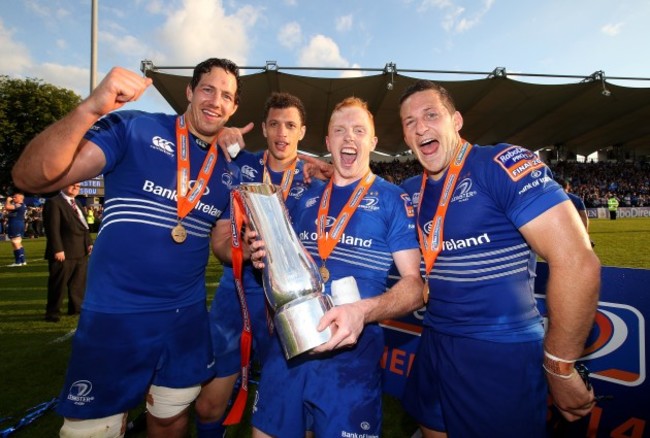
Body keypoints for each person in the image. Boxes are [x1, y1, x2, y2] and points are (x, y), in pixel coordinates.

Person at [12, 57, 249, 438]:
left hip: (184, 318)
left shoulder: (227, 168)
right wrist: (90, 107)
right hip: (116, 315)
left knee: (171, 417)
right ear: (189, 92)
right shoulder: (135, 127)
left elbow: (221, 242)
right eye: (207, 89)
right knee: (93, 430)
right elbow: (30, 178)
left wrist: (243, 249)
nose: (215, 101)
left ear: (234, 107)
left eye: (226, 95)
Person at [397, 80, 601, 437]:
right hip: (434, 337)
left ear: (456, 120)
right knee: (431, 428)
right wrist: (327, 172)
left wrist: (559, 366)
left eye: (431, 115)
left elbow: (577, 261)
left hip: (498, 347)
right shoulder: (411, 190)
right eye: (409, 121)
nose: (420, 127)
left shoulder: (499, 163)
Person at [249, 97, 424, 437]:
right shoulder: (303, 198)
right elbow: (282, 268)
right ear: (328, 142)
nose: (349, 138)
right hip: (290, 354)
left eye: (359, 131)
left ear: (372, 143)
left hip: (352, 366)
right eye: (339, 130)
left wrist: (363, 311)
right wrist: (264, 260)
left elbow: (416, 286)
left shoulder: (392, 199)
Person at [194, 92, 325, 436]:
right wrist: (241, 253)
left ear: (302, 131)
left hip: (289, 305)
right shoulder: (240, 167)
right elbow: (220, 244)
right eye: (275, 124)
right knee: (208, 406)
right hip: (237, 293)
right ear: (264, 129)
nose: (282, 133)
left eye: (291, 125)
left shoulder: (316, 180)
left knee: (293, 411)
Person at [43, 183, 93, 322]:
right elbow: (52, 229)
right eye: (73, 185)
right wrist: (57, 249)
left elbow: (84, 227)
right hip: (63, 252)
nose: (76, 187)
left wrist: (89, 243)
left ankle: (76, 308)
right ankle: (52, 313)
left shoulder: (76, 202)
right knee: (58, 285)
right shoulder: (54, 202)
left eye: (78, 186)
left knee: (78, 284)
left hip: (80, 251)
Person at [5, 191, 28, 266]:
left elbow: (7, 207)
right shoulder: (22, 205)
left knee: (15, 242)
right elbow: (9, 209)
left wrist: (8, 200)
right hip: (19, 224)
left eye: (15, 197)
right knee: (17, 242)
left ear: (21, 198)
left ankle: (19, 261)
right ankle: (22, 260)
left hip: (15, 224)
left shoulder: (19, 205)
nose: (13, 198)